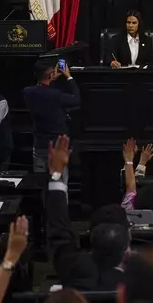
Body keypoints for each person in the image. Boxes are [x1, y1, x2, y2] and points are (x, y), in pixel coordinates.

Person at [46, 135, 130, 291]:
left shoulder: (74, 269)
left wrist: (56, 175)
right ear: (126, 251)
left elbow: (59, 232)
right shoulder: (139, 285)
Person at [23, 62, 80, 180]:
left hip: (39, 144)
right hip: (56, 145)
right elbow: (76, 99)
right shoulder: (56, 95)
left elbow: (43, 91)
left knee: (40, 183)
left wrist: (51, 77)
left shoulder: (27, 92)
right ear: (50, 76)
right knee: (58, 182)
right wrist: (69, 77)